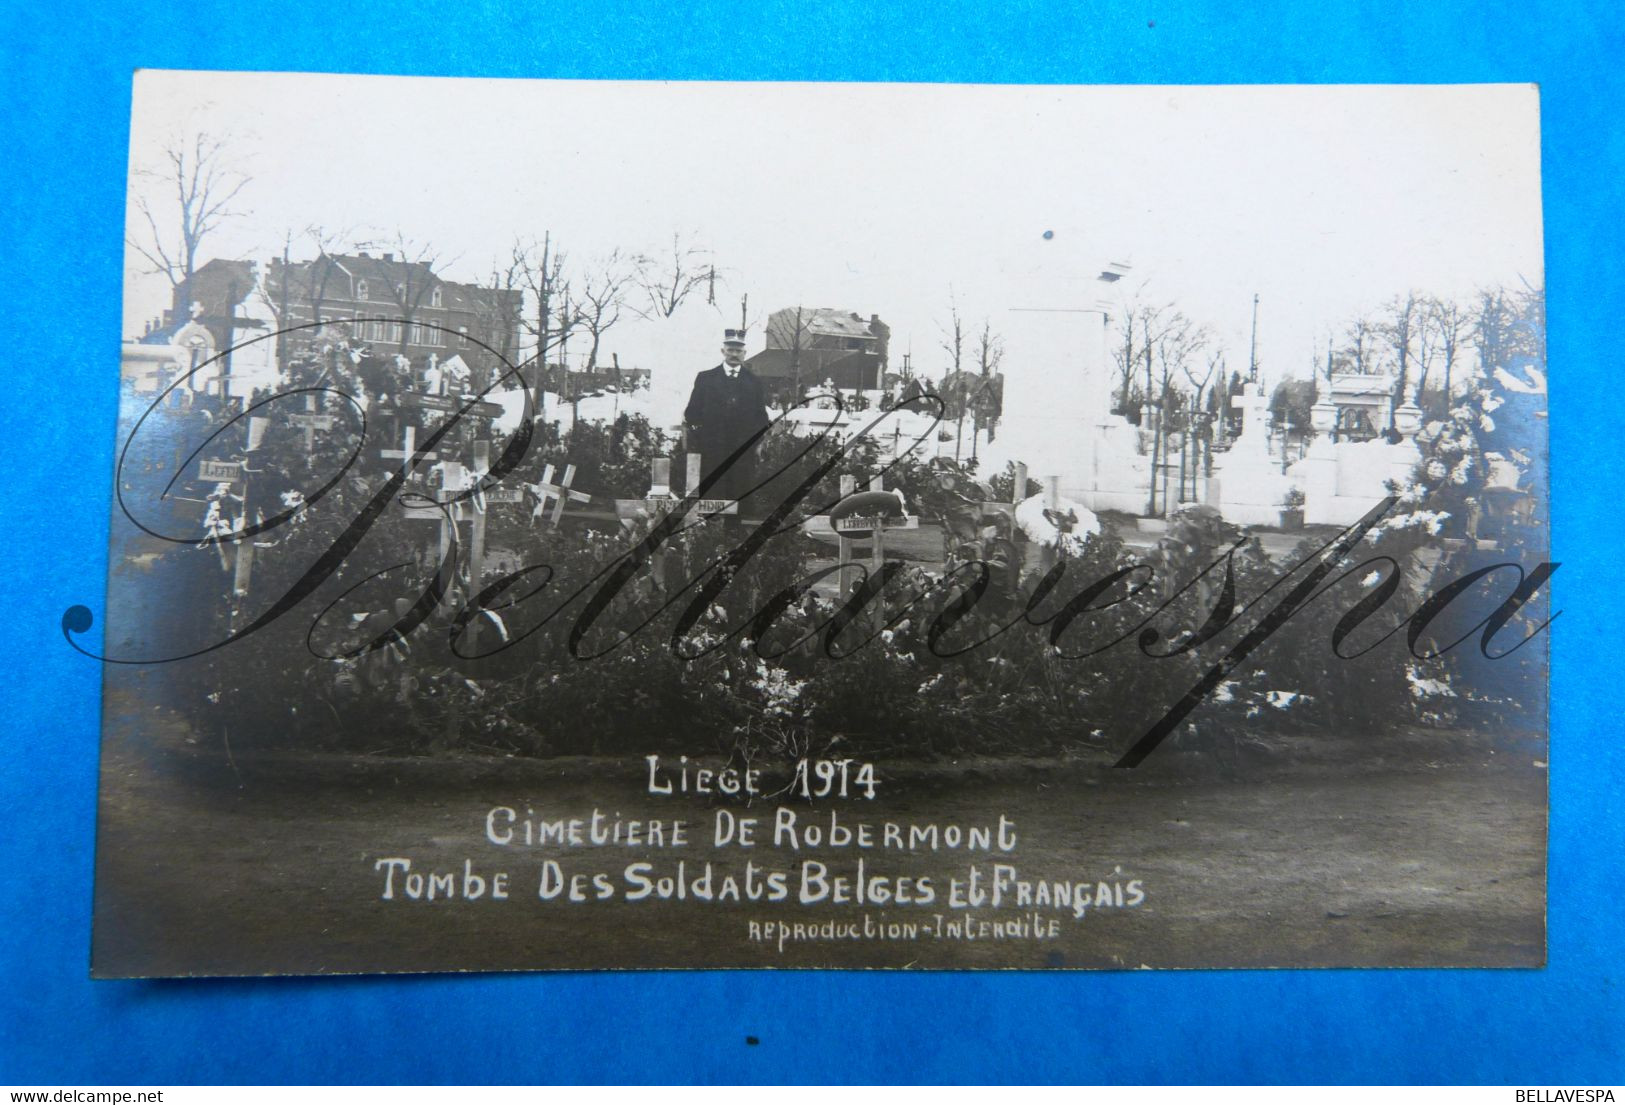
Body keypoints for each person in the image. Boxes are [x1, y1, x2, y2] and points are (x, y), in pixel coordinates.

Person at [683, 328, 770, 508]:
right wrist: (703, 434)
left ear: (745, 354)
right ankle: (708, 529)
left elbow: (761, 416)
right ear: (723, 351)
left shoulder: (754, 382)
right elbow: (691, 412)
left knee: (739, 489)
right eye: (730, 350)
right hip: (713, 447)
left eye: (738, 351)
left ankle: (734, 531)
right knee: (712, 489)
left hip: (741, 448)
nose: (734, 355)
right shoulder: (706, 378)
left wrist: (752, 440)